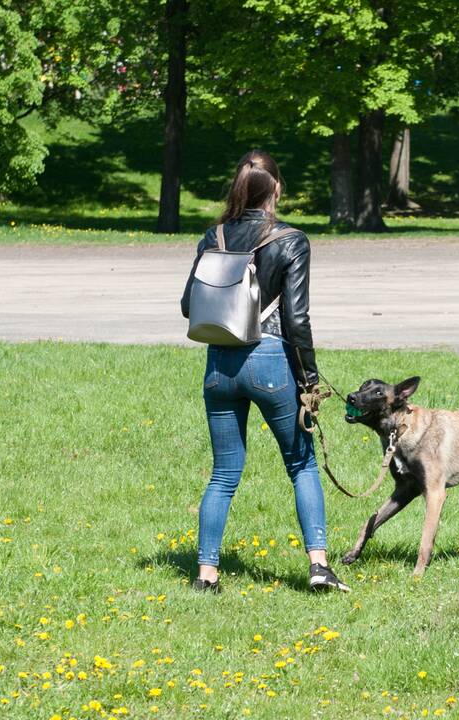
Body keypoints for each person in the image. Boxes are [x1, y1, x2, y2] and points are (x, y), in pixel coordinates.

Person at [180, 150, 350, 594]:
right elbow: (297, 318)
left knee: (223, 474)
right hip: (271, 361)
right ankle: (318, 566)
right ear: (276, 188)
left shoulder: (212, 236)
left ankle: (206, 575)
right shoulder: (291, 239)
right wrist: (309, 379)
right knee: (301, 464)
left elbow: (187, 306)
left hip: (219, 364)